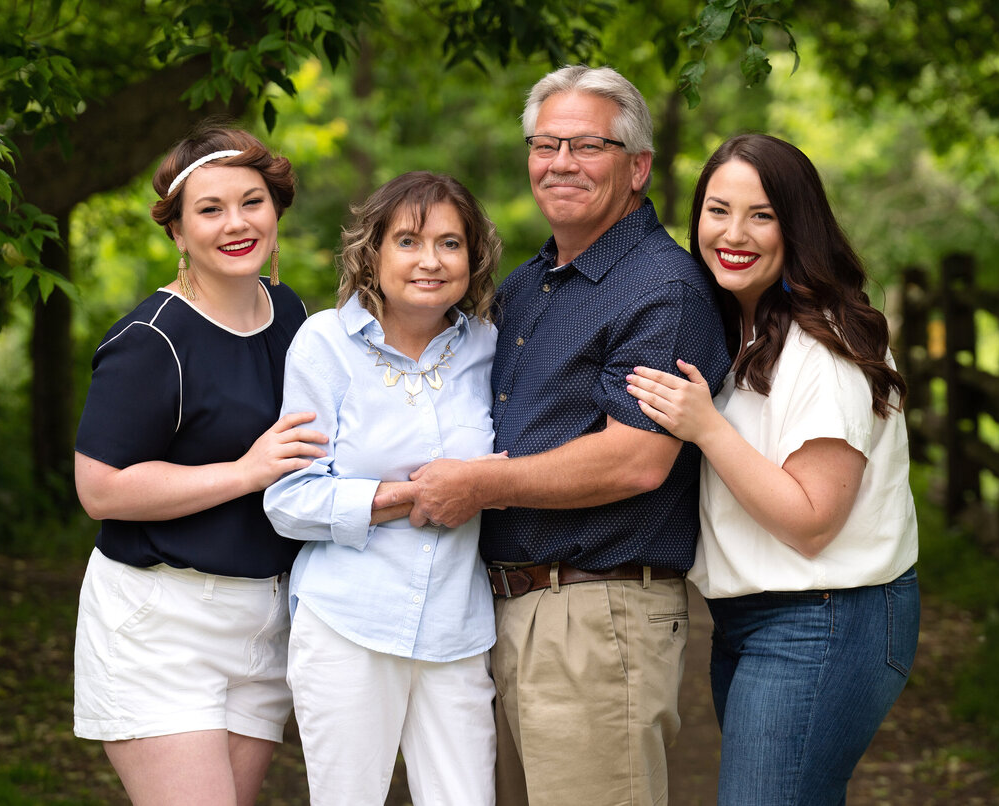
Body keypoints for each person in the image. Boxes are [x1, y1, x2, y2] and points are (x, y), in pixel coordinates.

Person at [379, 65, 732, 805]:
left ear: (637, 167)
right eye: (546, 145)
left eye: (587, 146)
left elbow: (635, 459)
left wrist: (475, 484)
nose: (561, 163)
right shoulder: (524, 285)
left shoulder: (661, 287)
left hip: (594, 615)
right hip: (500, 611)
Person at [625, 133, 921, 805]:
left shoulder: (826, 347)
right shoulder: (743, 331)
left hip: (824, 619)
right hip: (757, 622)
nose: (734, 233)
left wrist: (706, 427)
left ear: (798, 224)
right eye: (717, 210)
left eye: (761, 215)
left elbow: (811, 521)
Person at [72, 123, 329, 804]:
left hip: (264, 620)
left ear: (276, 212)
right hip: (162, 621)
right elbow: (100, 489)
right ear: (179, 234)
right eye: (210, 210)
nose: (236, 223)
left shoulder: (292, 316)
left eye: (252, 202)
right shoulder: (151, 341)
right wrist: (246, 471)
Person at [262, 171, 503, 805]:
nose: (431, 261)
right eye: (409, 241)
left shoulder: (489, 347)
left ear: (474, 258)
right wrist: (405, 498)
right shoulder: (323, 345)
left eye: (451, 244)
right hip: (349, 622)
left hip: (457, 627)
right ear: (372, 252)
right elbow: (288, 499)